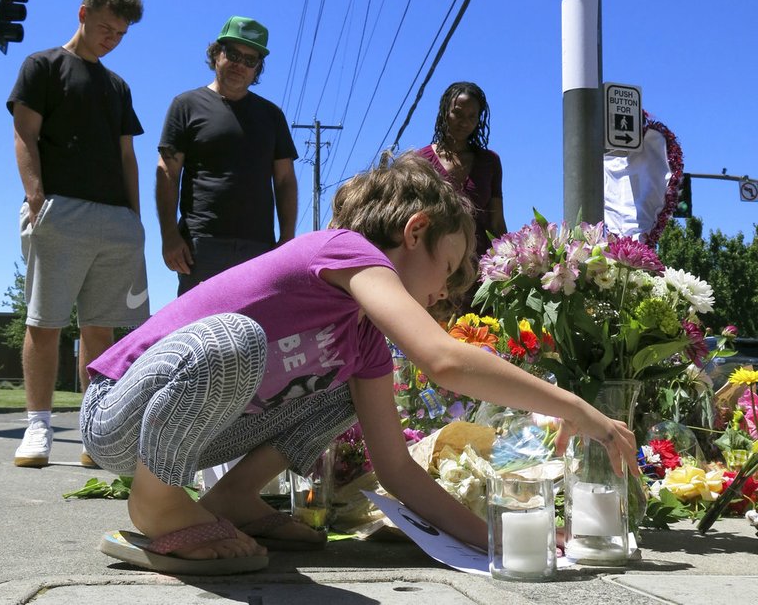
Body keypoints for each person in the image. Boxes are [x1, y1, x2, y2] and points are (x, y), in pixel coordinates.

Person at [80, 151, 637, 575]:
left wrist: (495, 535)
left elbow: (396, 468)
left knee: (350, 390)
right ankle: (158, 506)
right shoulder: (344, 249)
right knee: (236, 341)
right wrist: (576, 407)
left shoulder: (363, 342)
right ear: (415, 231)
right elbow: (443, 360)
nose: (445, 293)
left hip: (194, 438)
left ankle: (232, 499)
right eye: (448, 267)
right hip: (120, 414)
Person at [7, 0, 149, 468]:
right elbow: (25, 132)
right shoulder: (43, 66)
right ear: (83, 14)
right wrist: (35, 195)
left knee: (102, 330)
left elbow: (126, 154)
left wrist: (136, 217)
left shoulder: (117, 85)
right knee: (43, 322)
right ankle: (38, 427)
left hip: (116, 221)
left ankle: (95, 435)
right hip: (59, 211)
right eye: (106, 27)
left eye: (121, 34)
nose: (112, 39)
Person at [156, 15, 298, 296]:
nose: (240, 65)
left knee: (255, 334)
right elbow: (168, 174)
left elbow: (285, 181)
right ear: (216, 54)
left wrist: (287, 239)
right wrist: (170, 235)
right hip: (200, 246)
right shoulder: (185, 105)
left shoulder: (272, 116)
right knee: (199, 335)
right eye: (233, 54)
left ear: (257, 68)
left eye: (250, 60)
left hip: (259, 248)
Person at [418, 81, 507, 259]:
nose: (464, 122)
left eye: (471, 117)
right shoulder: (420, 160)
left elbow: (496, 222)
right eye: (457, 113)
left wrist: (510, 263)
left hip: (479, 267)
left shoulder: (490, 162)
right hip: (433, 263)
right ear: (445, 112)